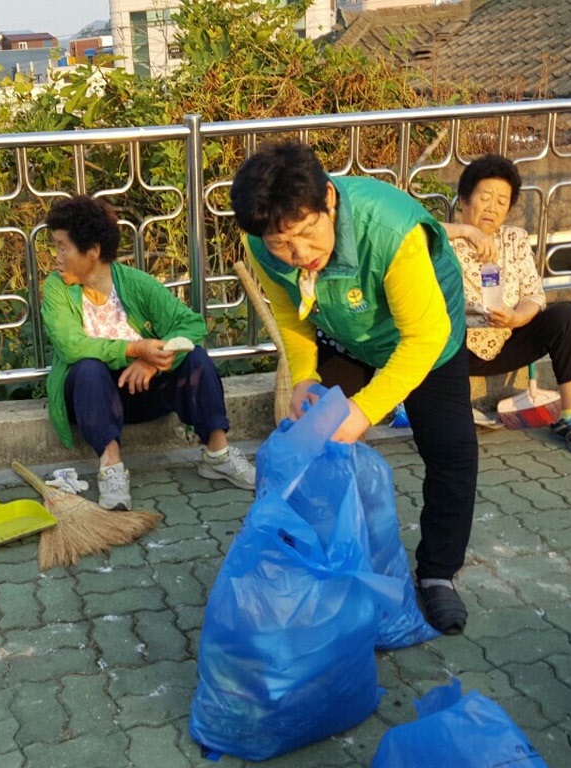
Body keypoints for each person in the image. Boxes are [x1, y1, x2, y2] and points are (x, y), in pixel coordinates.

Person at [229, 140, 477, 635]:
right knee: (312, 439)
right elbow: (288, 314)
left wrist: (364, 412)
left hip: (427, 340)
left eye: (306, 233)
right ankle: (313, 562)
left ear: (328, 200)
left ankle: (436, 575)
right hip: (346, 335)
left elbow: (423, 336)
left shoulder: (389, 231)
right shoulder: (263, 241)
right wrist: (304, 375)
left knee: (451, 453)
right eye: (283, 245)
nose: (299, 254)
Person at [41, 195, 255, 510]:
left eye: (62, 247)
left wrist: (152, 363)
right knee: (87, 367)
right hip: (91, 399)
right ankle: (111, 467)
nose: (56, 257)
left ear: (93, 251)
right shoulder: (57, 288)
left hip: (140, 390)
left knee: (194, 357)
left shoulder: (135, 283)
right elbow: (71, 345)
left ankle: (217, 455)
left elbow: (191, 324)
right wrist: (135, 347)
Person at [443, 154, 571, 457]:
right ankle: (453, 419)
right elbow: (413, 228)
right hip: (455, 346)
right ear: (463, 199)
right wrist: (468, 232)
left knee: (567, 318)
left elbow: (533, 295)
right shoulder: (442, 239)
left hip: (507, 338)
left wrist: (516, 317)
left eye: (502, 201)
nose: (493, 207)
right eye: (485, 197)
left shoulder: (514, 238)